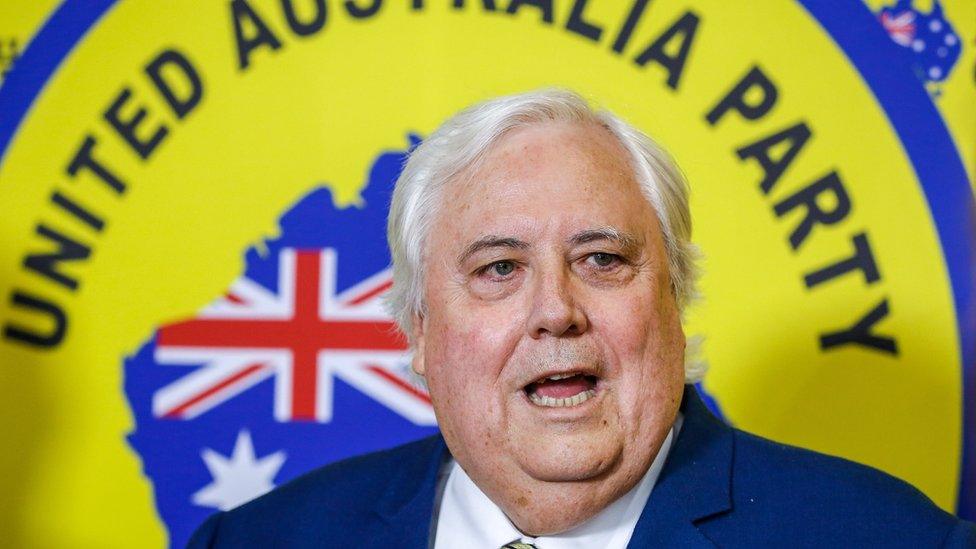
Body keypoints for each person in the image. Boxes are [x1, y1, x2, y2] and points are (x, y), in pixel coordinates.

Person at [188, 89, 974, 548]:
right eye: (499, 268)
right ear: (419, 328)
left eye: (602, 259)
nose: (556, 311)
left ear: (674, 296)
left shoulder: (887, 539)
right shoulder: (262, 541)